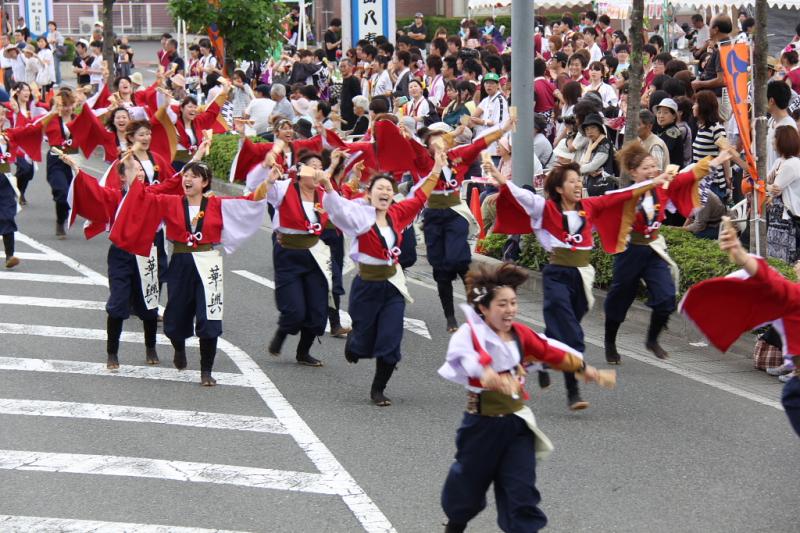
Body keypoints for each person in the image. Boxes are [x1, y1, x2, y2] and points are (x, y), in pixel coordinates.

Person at [438, 262, 602, 533]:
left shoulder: (520, 334)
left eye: (513, 303)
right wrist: (486, 372)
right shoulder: (470, 335)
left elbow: (549, 350)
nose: (510, 310)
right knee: (466, 488)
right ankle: (455, 525)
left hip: (516, 425)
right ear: (483, 308)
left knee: (521, 492)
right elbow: (464, 358)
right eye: (502, 304)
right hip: (481, 426)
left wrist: (584, 368)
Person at [492, 162, 666, 409]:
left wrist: (652, 183)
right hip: (556, 276)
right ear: (560, 188)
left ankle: (540, 357)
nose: (578, 185)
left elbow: (619, 195)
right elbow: (522, 196)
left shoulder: (589, 206)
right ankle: (573, 392)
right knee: (572, 335)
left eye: (579, 181)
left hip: (583, 276)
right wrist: (501, 178)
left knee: (560, 331)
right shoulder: (545, 208)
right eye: (572, 181)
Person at [108, 158, 269, 386]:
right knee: (175, 317)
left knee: (209, 316)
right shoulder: (170, 202)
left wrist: (269, 182)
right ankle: (179, 347)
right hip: (181, 262)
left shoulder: (217, 204)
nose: (187, 179)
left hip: (208, 262)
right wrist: (133, 173)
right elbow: (142, 199)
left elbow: (250, 201)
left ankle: (206, 371)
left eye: (193, 176)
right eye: (185, 175)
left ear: (205, 182)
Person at [320, 154, 444, 404]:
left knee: (391, 341)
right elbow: (337, 207)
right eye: (380, 188)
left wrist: (437, 169)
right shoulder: (359, 216)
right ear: (370, 193)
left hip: (393, 285)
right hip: (366, 286)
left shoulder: (397, 213)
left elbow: (420, 197)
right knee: (361, 346)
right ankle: (355, 341)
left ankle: (378, 389)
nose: (385, 192)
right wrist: (329, 185)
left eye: (389, 189)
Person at [604, 142, 727, 363]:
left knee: (666, 296)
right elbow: (600, 206)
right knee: (620, 298)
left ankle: (652, 339)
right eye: (645, 168)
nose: (652, 171)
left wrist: (716, 160)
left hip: (652, 249)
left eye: (653, 166)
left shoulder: (662, 186)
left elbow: (688, 177)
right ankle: (610, 342)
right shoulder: (627, 194)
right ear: (633, 173)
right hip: (630, 251)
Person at [680, 225, 800, 437]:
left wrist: (741, 255)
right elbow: (769, 278)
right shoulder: (794, 296)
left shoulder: (794, 296)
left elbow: (769, 279)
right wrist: (742, 255)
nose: (797, 264)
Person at [767, 126, 800, 262]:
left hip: (786, 220)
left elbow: (774, 188)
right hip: (778, 218)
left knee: (782, 261)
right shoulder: (780, 162)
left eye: (775, 137)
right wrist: (766, 185)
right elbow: (766, 182)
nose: (772, 141)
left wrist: (765, 186)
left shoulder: (791, 165)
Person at [692, 90, 730, 202]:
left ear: (704, 107)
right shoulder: (702, 128)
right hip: (701, 182)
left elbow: (725, 154)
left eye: (696, 104)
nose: (693, 107)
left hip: (713, 184)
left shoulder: (717, 129)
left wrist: (728, 179)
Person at [655, 98, 686, 168]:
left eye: (665, 112)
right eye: (659, 112)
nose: (661, 116)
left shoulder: (673, 132)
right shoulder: (662, 130)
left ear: (674, 116)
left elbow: (662, 153)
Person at [338, 58, 361, 131]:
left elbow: (358, 98)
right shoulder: (344, 80)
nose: (342, 69)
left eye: (344, 66)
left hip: (352, 117)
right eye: (341, 67)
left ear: (351, 67)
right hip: (344, 116)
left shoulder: (354, 80)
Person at [46, 21, 65, 87]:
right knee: (53, 67)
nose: (50, 27)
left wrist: (54, 40)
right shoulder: (49, 34)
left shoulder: (57, 33)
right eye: (49, 25)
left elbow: (61, 40)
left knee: (56, 67)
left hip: (56, 51)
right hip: (51, 51)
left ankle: (58, 82)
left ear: (55, 26)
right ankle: (54, 81)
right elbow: (48, 41)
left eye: (51, 25)